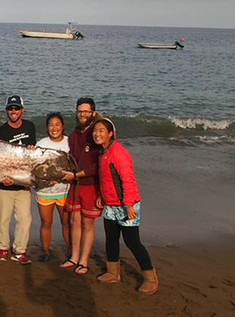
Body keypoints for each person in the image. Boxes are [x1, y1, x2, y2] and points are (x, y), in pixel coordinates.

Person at [92, 118, 158, 294]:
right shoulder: (102, 152)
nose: (97, 134)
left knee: (132, 242)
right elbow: (106, 179)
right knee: (111, 239)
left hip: (126, 205)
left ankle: (150, 279)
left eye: (101, 131)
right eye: (95, 131)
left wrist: (129, 205)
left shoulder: (118, 153)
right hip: (111, 205)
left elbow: (128, 180)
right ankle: (113, 273)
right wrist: (101, 196)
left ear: (111, 133)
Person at [0, 95, 37, 264]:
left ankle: (19, 251)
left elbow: (30, 156)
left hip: (23, 184)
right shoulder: (1, 132)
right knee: (3, 219)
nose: (13, 111)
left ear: (22, 110)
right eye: (10, 108)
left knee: (25, 219)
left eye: (17, 108)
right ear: (6, 111)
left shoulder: (30, 126)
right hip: (4, 184)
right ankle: (2, 248)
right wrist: (3, 178)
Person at [59, 98, 102, 275]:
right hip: (75, 185)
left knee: (87, 224)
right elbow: (72, 160)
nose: (82, 114)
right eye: (79, 111)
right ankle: (74, 257)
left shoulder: (97, 133)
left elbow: (96, 165)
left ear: (93, 113)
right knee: (73, 221)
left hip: (90, 185)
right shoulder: (75, 134)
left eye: (86, 111)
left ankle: (84, 260)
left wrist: (76, 175)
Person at [35, 112, 71, 261]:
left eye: (57, 124)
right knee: (46, 223)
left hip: (65, 191)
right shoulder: (41, 144)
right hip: (45, 191)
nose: (54, 128)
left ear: (62, 126)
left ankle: (72, 252)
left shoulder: (70, 143)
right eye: (51, 125)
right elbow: (35, 168)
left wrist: (62, 177)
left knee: (66, 223)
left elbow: (75, 166)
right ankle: (45, 251)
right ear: (47, 127)